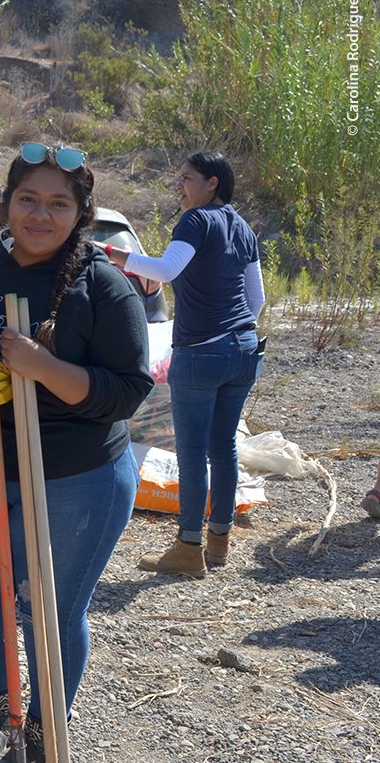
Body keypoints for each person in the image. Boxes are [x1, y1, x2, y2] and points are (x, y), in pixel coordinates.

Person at [0, 144, 152, 762]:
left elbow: (128, 391)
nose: (39, 215)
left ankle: (48, 723)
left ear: (81, 213)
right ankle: (0, 710)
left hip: (79, 476)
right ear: (3, 202)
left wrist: (45, 367)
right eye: (27, 198)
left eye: (59, 203)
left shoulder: (104, 284)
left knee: (46, 611)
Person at [105, 152, 264, 578]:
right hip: (245, 349)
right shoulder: (243, 227)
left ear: (212, 183)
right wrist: (232, 331)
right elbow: (257, 301)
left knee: (193, 453)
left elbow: (167, 269)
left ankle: (188, 549)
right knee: (223, 447)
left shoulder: (196, 220)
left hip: (202, 351)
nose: (179, 185)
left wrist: (113, 255)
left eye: (186, 178)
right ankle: (219, 542)